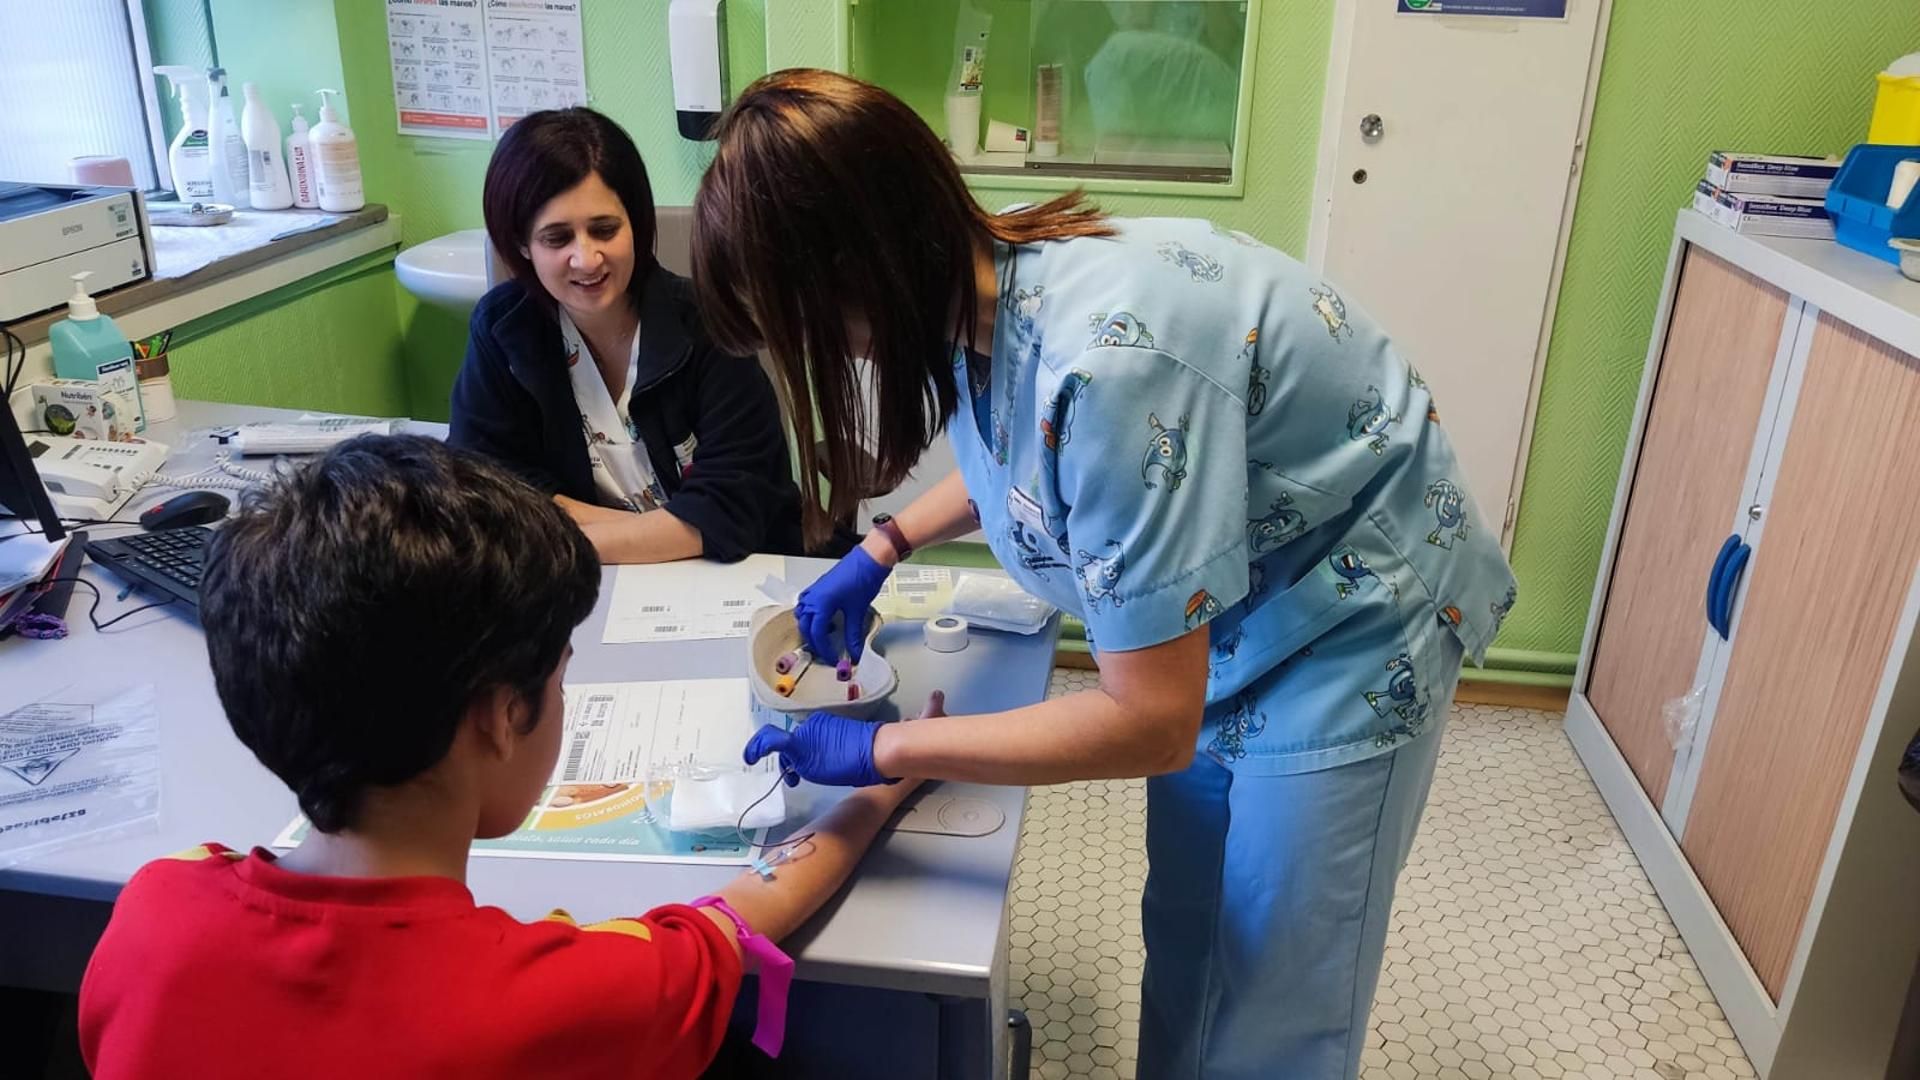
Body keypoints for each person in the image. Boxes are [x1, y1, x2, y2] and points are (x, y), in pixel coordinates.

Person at [695, 70, 1518, 1080]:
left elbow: (1147, 721)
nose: (840, 355)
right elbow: (1036, 461)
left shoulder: (1112, 361)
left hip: (1355, 617)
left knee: (1274, 988)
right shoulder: (980, 290)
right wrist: (883, 548)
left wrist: (887, 749)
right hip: (1233, 607)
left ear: (858, 266)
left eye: (816, 329)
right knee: (1192, 925)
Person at [77, 435, 934, 1080]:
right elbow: (743, 913)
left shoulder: (152, 919)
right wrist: (889, 772)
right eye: (560, 677)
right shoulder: (574, 995)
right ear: (499, 718)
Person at [450, 107, 806, 564]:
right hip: (592, 588)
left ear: (635, 224)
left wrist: (551, 535)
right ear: (522, 244)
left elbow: (732, 512)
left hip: (736, 577)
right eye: (557, 239)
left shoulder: (709, 323)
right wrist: (668, 528)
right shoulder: (503, 328)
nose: (587, 258)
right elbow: (481, 489)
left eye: (604, 229)